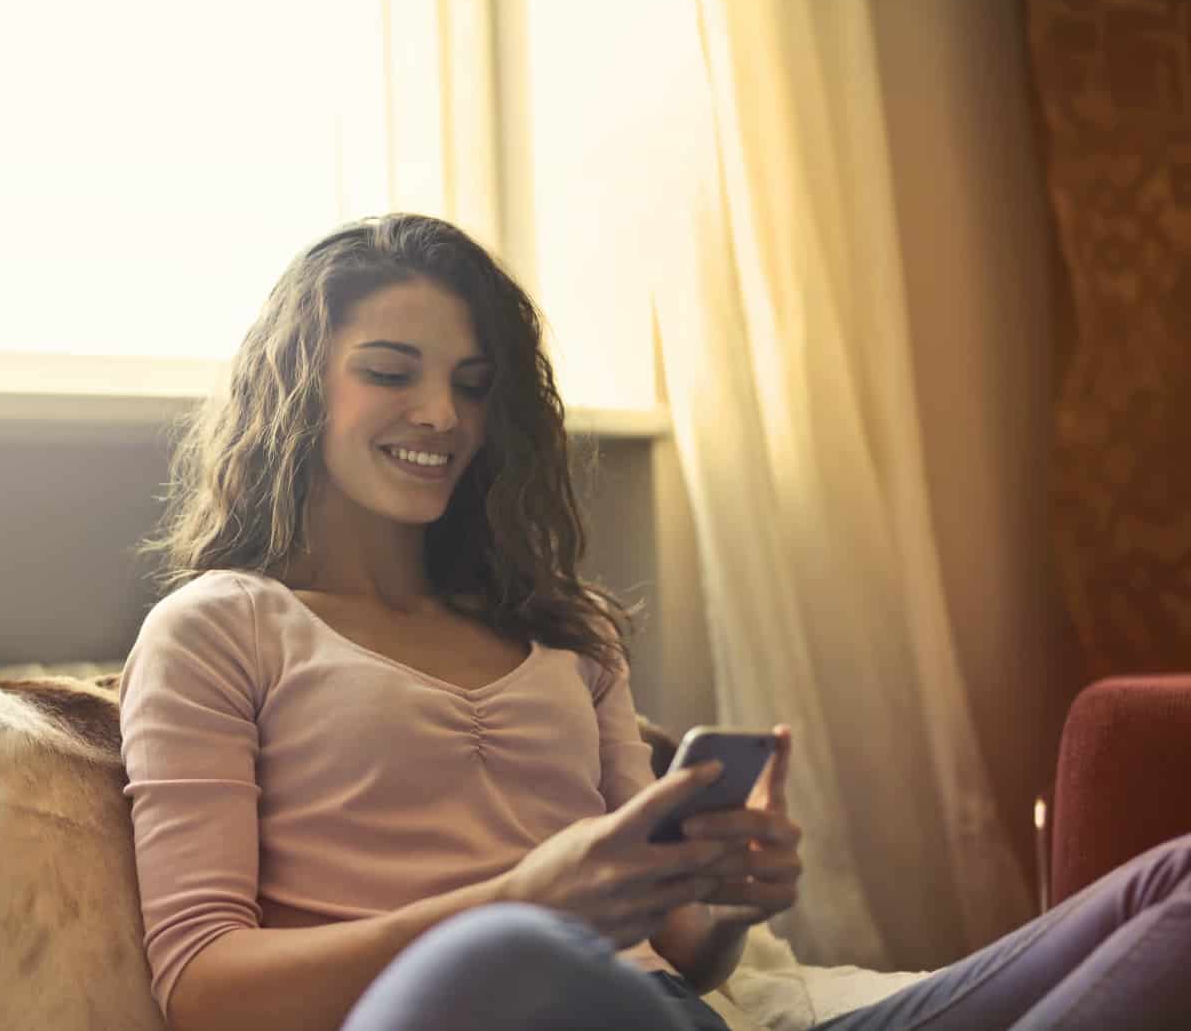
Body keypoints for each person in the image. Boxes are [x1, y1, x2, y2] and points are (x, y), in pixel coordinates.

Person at [119, 213, 1191, 1031]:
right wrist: (524, 899)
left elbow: (682, 951)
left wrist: (720, 892)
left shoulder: (563, 635)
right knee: (500, 954)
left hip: (661, 1016)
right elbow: (205, 988)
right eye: (390, 372)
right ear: (299, 385)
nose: (440, 416)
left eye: (473, 385)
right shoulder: (219, 628)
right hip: (470, 1001)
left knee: (1175, 876)